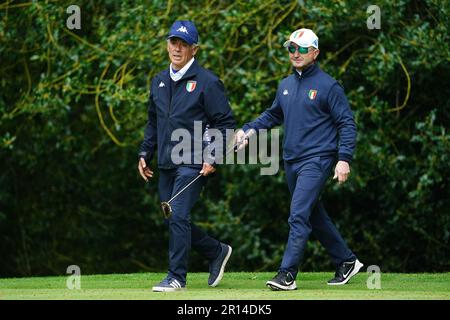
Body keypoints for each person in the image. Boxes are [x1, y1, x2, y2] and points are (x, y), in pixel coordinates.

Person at [235, 28, 363, 290]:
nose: (295, 53)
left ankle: (287, 275)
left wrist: (344, 158)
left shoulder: (329, 86)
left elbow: (347, 124)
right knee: (313, 215)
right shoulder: (285, 85)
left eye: (302, 49)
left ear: (315, 53)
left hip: (317, 159)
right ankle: (347, 261)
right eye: (291, 48)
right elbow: (272, 116)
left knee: (297, 216)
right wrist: (248, 131)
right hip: (292, 161)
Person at [138, 20, 235, 292]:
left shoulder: (208, 82)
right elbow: (152, 121)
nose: (177, 49)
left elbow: (225, 123)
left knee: (178, 214)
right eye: (173, 43)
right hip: (166, 161)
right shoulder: (158, 80)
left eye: (183, 44)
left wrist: (212, 156)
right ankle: (216, 251)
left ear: (195, 49)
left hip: (194, 161)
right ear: (167, 45)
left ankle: (176, 277)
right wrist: (145, 152)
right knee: (173, 217)